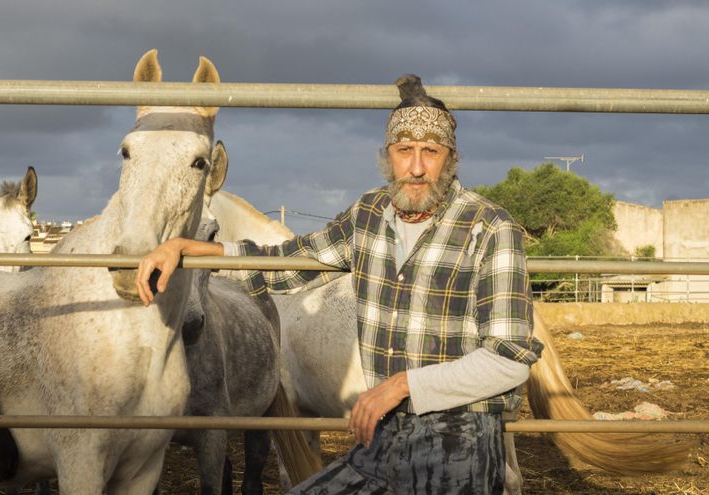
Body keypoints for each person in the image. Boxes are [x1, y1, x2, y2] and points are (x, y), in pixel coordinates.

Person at [135, 74, 544, 494]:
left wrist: (403, 386)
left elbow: (508, 360)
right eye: (405, 151)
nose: (417, 168)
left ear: (451, 158)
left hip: (461, 439)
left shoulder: (490, 227)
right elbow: (291, 262)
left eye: (431, 152)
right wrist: (194, 248)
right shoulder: (368, 214)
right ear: (388, 156)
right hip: (383, 441)